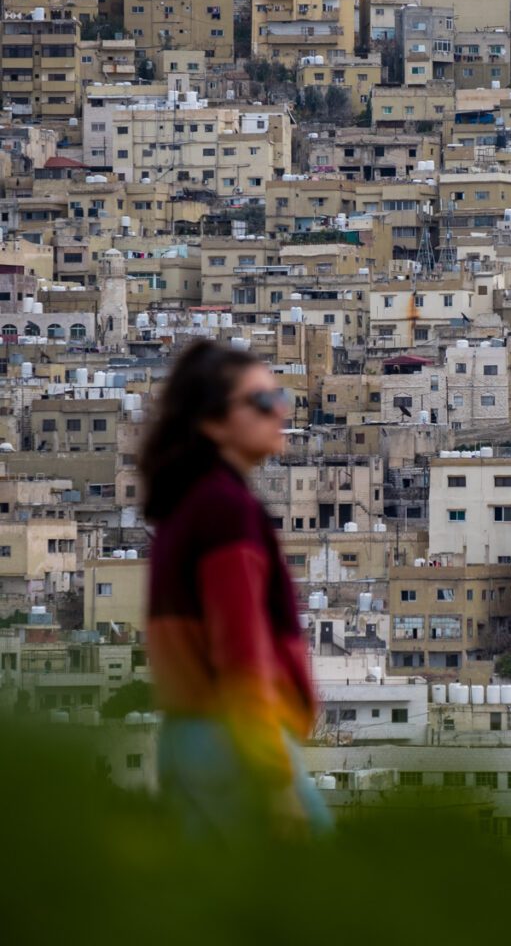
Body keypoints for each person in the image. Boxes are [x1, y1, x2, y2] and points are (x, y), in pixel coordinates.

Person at [139, 339, 331, 840]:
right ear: (213, 421)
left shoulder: (183, 507)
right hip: (234, 740)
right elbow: (241, 656)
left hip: (186, 739)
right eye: (262, 401)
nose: (281, 411)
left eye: (281, 396)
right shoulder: (226, 512)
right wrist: (277, 782)